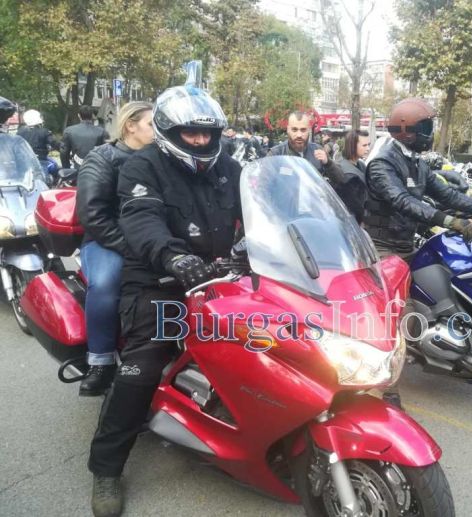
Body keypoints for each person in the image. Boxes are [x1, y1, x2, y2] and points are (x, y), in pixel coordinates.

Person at [87, 85, 242, 517]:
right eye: (191, 133)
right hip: (160, 279)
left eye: (207, 133)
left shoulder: (229, 167)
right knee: (144, 363)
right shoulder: (142, 166)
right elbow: (142, 221)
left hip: (218, 275)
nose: (201, 140)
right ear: (169, 131)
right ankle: (106, 468)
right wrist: (174, 257)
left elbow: (261, 208)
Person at [75, 101, 154, 397]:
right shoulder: (103, 158)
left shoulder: (162, 158)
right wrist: (128, 248)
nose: (159, 131)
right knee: (107, 283)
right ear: (130, 125)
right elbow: (93, 214)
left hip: (152, 239)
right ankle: (101, 361)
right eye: (152, 124)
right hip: (106, 240)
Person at [364, 98, 472, 261]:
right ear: (407, 131)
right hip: (382, 249)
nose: (430, 134)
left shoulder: (417, 164)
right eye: (426, 128)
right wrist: (452, 222)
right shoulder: (382, 164)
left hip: (406, 245)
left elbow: (448, 195)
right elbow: (402, 200)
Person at [268, 111, 344, 184]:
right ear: (288, 130)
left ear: (309, 130)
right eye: (294, 130)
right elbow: (264, 184)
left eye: (303, 130)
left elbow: (340, 180)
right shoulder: (276, 154)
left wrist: (328, 163)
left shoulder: (318, 150)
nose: (299, 135)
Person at [334, 129, 370, 223]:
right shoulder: (343, 170)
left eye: (368, 145)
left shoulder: (361, 164)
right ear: (353, 146)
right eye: (364, 145)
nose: (368, 148)